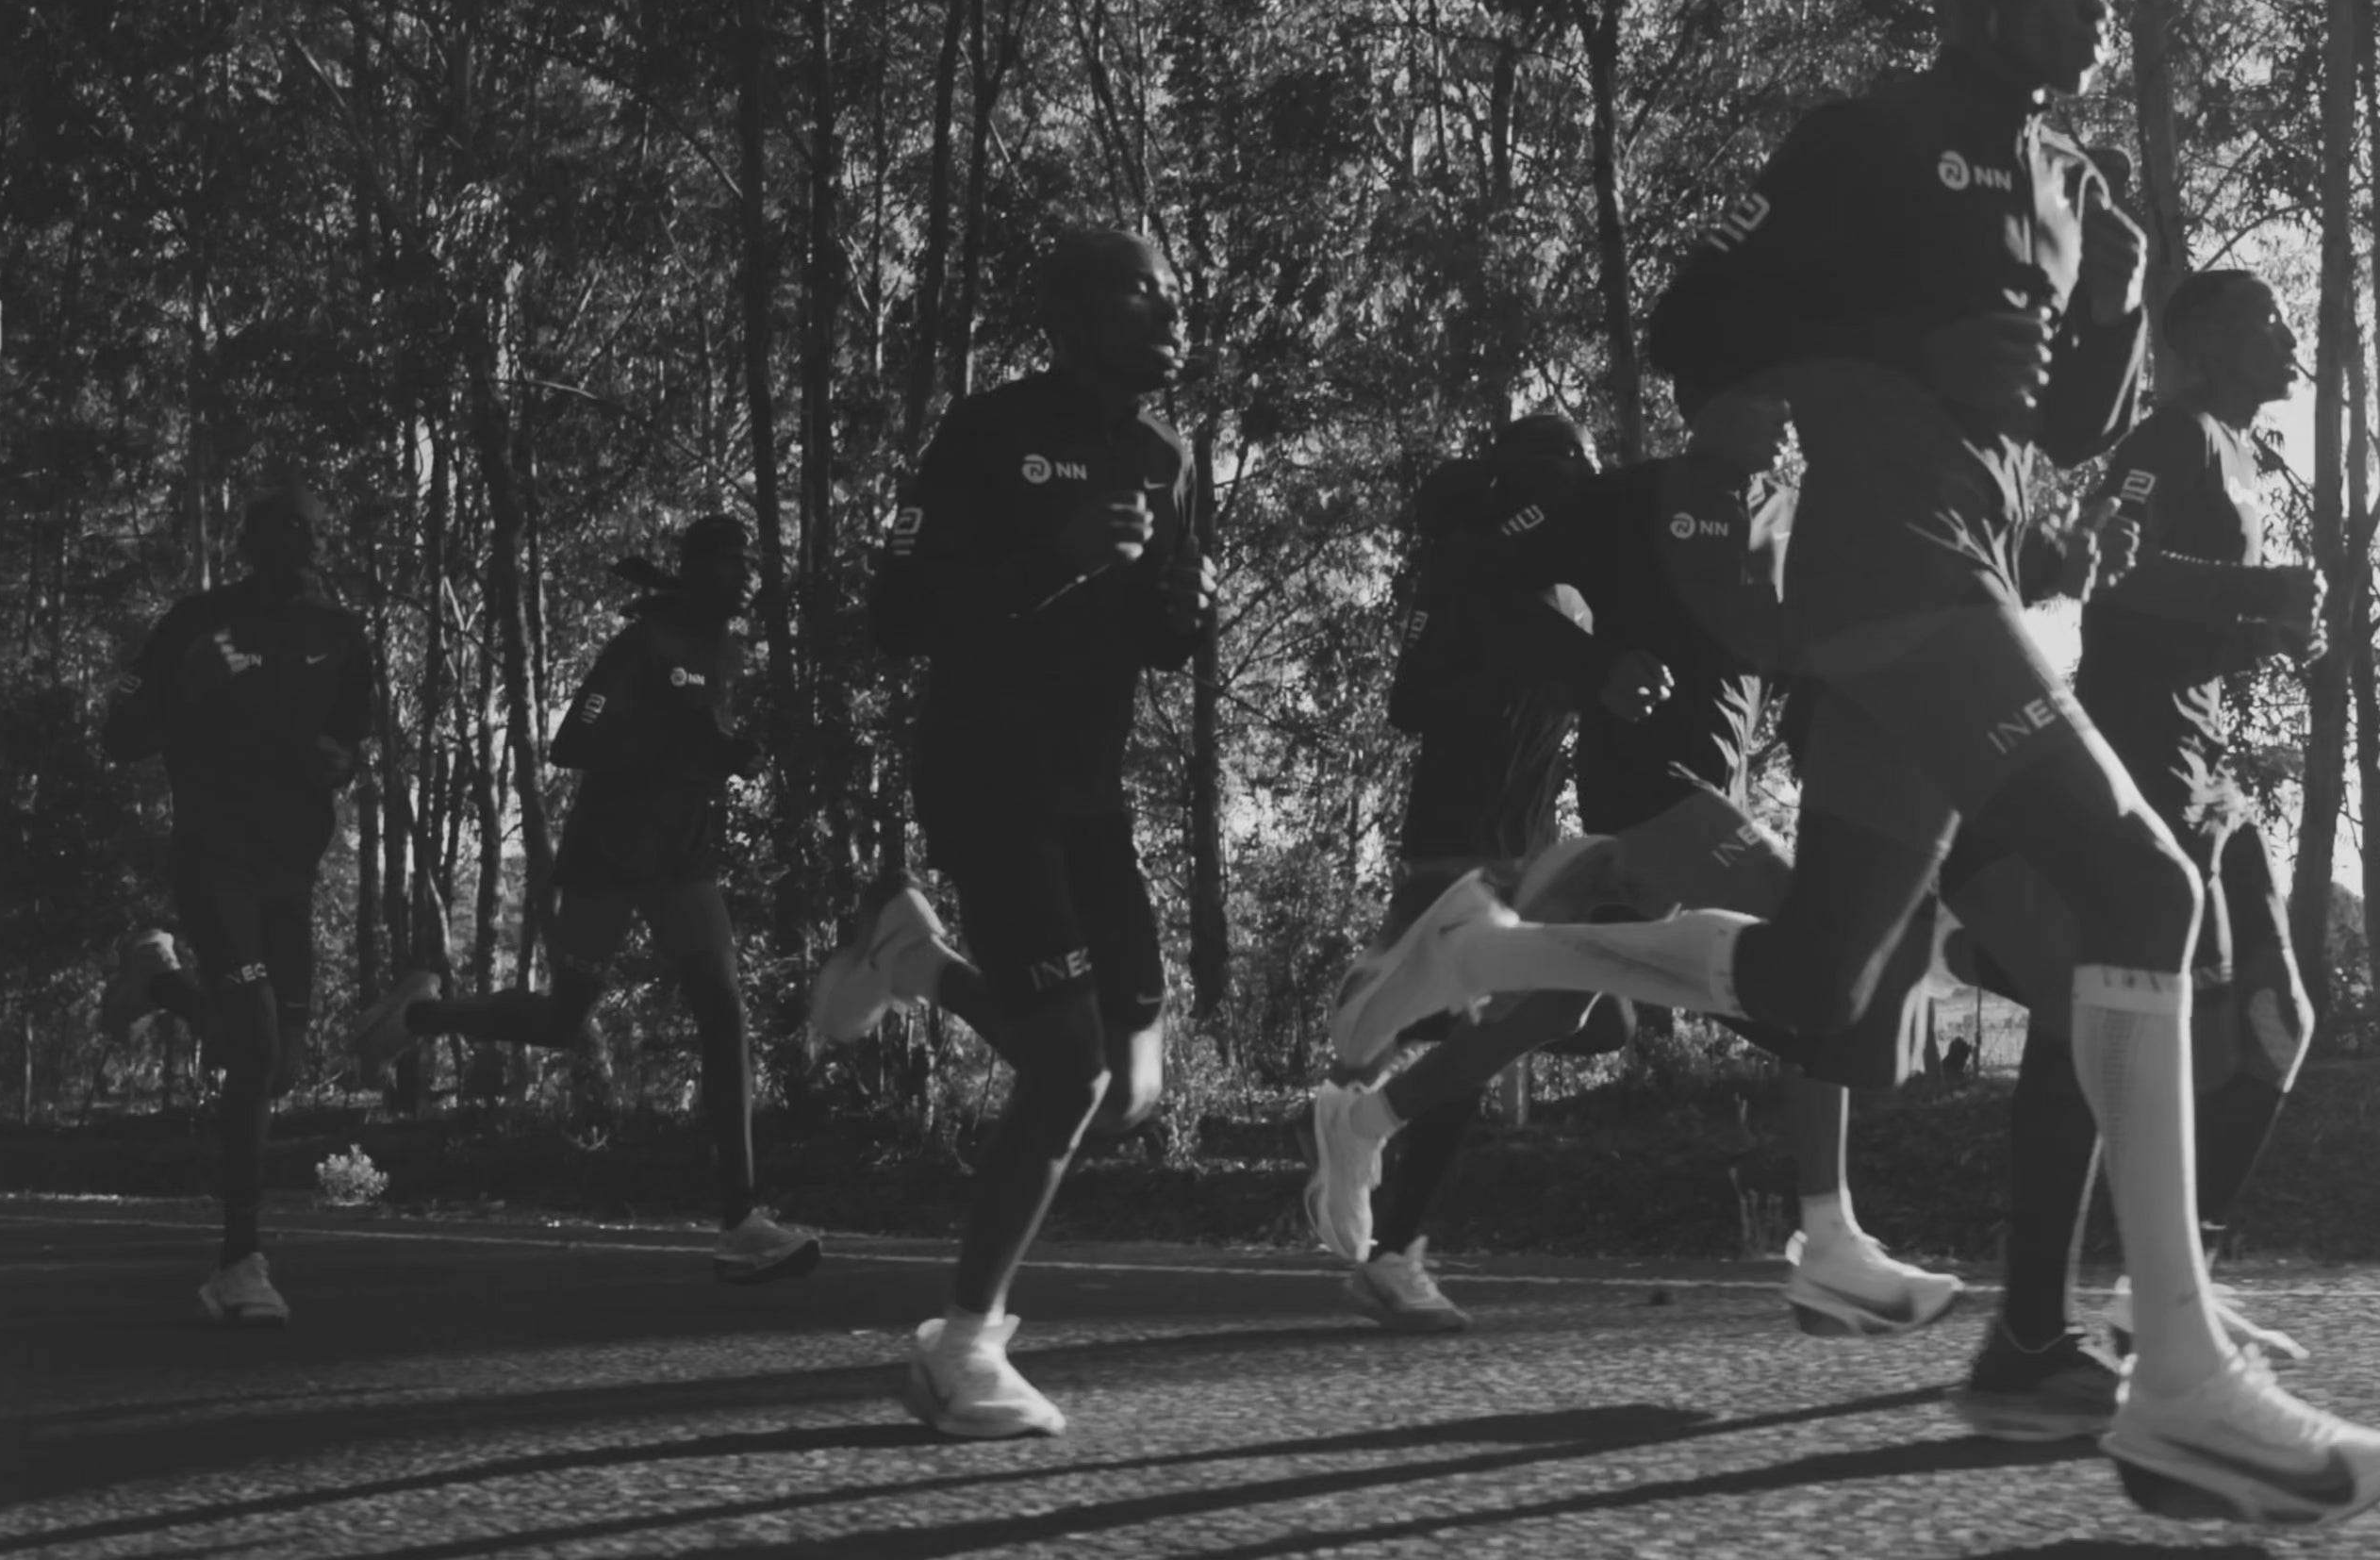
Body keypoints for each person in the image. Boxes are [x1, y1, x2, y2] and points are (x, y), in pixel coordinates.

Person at [1329, 0, 2380, 1525]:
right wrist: (1912, 345)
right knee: (2143, 892)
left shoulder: (2083, 197)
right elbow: (1699, 329)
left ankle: (1488, 949)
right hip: (1870, 554)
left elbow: (2054, 430)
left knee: (1817, 981)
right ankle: (2180, 1378)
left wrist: (2098, 369)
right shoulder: (1873, 138)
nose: (2096, 4)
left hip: (1966, 564)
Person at [1309, 388, 1965, 1339]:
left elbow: (1793, 652)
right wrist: (1593, 670)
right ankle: (1831, 1241)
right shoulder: (1632, 497)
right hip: (1647, 783)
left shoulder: (1786, 512)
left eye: (1788, 395)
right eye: (1759, 390)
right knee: (1820, 959)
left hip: (1709, 794)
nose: (1781, 412)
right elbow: (1475, 578)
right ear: (1707, 398)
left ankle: (1371, 1117)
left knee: (1560, 1012)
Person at [841, 224, 1214, 1440]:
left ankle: (919, 962)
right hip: (984, 767)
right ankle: (963, 1343)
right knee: (1068, 1064)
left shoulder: (1168, 453)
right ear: (1072, 315)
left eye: (1174, 293)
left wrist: (1183, 614)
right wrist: (1047, 559)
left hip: (1089, 788)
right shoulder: (989, 433)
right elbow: (897, 612)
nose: (1171, 311)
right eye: (1143, 293)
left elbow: (1156, 631)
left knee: (1129, 1092)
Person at [347, 514, 820, 1286]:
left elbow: (701, 740)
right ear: (694, 568)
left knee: (723, 1010)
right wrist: (683, 744)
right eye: (728, 562)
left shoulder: (727, 652)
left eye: (749, 564)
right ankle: (424, 1015)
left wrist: (730, 754)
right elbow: (574, 742)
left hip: (683, 859)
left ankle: (742, 1221)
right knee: (562, 1021)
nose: (743, 576)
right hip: (613, 852)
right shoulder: (642, 646)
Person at [1302, 411, 1614, 1332]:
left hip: (1529, 846)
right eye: (1573, 474)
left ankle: (1367, 1053)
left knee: (1596, 1022)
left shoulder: (1564, 592)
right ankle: (1392, 1250)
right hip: (1457, 841)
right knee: (1488, 1039)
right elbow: (1409, 702)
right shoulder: (1483, 582)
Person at [2074, 267, 2322, 1342]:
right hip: (2142, 753)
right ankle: (2155, 1293)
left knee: (2280, 1021)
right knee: (2193, 1035)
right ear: (2210, 342)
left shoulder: (2245, 457)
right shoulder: (2165, 438)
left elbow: (2198, 619)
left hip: (2212, 765)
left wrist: (2268, 630)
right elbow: (2108, 570)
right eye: (2266, 318)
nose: (2287, 331)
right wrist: (2254, 593)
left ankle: (2166, 1291)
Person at [101, 489, 376, 1327]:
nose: (309, 541)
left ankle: (161, 984)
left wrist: (339, 762)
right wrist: (186, 685)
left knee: (276, 1065)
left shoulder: (341, 634)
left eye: (318, 528)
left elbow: (349, 742)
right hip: (214, 857)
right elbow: (119, 735)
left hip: (292, 869)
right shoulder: (196, 622)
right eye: (292, 527)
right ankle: (240, 1264)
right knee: (255, 1044)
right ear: (253, 540)